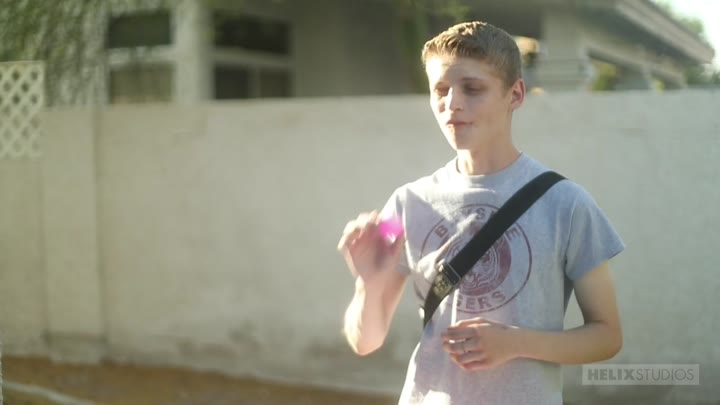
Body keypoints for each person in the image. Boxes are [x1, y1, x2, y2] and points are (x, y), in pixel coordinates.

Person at [336, 21, 625, 405]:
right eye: (440, 90)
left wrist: (515, 343)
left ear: (515, 94)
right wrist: (368, 285)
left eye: (472, 88)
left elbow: (607, 336)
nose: (452, 103)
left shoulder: (567, 204)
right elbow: (365, 342)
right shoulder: (405, 203)